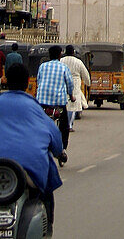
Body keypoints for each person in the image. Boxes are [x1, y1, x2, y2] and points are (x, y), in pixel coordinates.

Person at [0, 63, 66, 231]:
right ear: (28, 82)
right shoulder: (36, 109)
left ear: (6, 80)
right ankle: (47, 229)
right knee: (46, 193)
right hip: (28, 174)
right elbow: (56, 143)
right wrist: (60, 154)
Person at [36, 46, 74, 151]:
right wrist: (71, 95)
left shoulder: (42, 66)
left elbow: (39, 81)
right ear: (59, 55)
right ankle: (63, 149)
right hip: (59, 103)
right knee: (64, 126)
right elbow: (70, 84)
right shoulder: (63, 67)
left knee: (39, 123)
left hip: (42, 101)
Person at [60, 45, 90, 130]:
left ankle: (62, 123)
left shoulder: (61, 61)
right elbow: (85, 74)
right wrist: (88, 83)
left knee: (64, 104)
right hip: (75, 84)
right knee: (72, 107)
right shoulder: (78, 62)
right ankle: (69, 125)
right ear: (73, 52)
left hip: (63, 83)